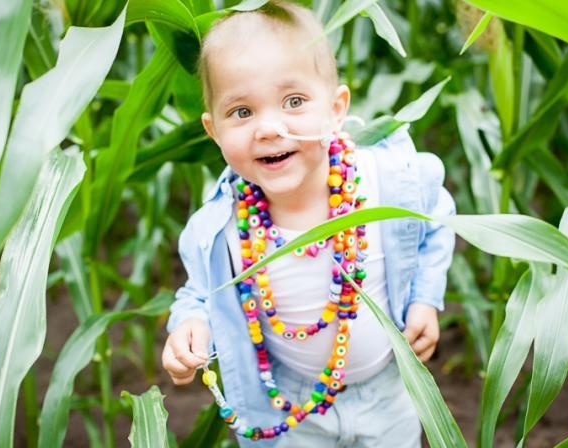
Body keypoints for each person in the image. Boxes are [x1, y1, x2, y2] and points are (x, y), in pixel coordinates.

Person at [162, 2, 455, 447]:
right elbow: (201, 294)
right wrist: (190, 326)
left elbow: (436, 218)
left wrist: (424, 300)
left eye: (294, 101)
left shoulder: (382, 183)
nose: (268, 127)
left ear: (336, 109)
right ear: (213, 130)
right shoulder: (222, 226)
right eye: (241, 112)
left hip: (389, 393)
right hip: (290, 406)